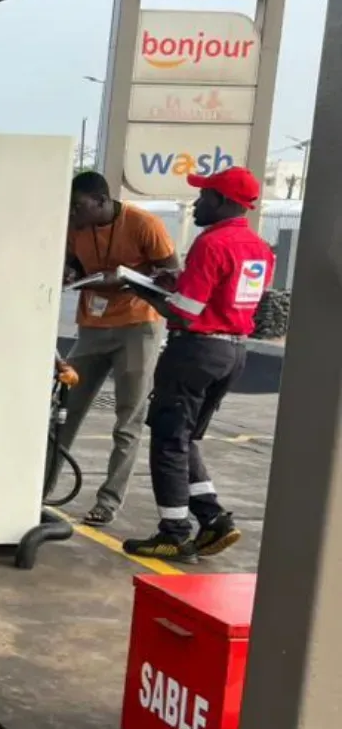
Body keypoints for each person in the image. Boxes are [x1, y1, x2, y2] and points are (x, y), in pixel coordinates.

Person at [123, 166, 273, 561]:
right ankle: (212, 520)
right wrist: (180, 280)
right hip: (233, 352)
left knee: (169, 440)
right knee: (186, 437)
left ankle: (173, 532)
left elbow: (187, 312)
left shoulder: (212, 244)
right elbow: (226, 296)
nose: (195, 203)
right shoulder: (258, 248)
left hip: (195, 351)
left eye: (204, 195)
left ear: (223, 201)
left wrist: (144, 291)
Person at [59, 171, 180, 526]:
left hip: (137, 326)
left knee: (128, 419)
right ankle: (40, 488)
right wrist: (69, 271)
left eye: (80, 206)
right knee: (65, 408)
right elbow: (73, 260)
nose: (74, 214)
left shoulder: (145, 224)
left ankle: (108, 501)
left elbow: (172, 275)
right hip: (93, 326)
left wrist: (130, 280)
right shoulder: (75, 227)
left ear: (102, 200)